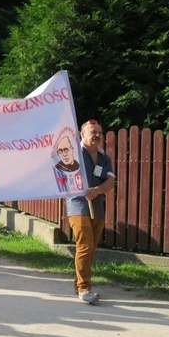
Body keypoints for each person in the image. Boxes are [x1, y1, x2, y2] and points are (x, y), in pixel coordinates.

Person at [67, 120, 116, 304]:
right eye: (92, 132)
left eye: (100, 132)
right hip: (77, 204)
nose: (97, 135)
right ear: (82, 135)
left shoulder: (105, 158)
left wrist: (98, 190)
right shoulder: (75, 153)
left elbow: (110, 182)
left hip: (96, 206)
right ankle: (84, 288)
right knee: (85, 245)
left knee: (91, 248)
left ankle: (78, 284)